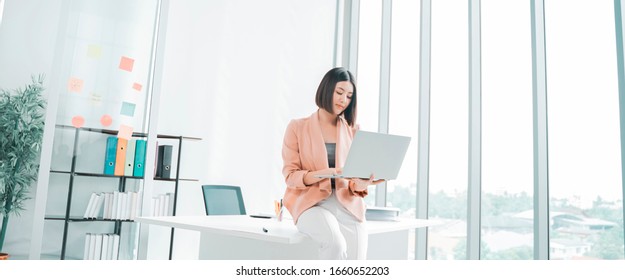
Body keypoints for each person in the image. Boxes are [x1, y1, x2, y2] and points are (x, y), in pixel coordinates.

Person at [281, 67, 384, 260]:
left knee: (357, 261)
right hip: (312, 203)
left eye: (349, 96)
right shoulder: (297, 127)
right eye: (339, 93)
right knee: (335, 243)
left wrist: (362, 184)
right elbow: (290, 175)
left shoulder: (353, 130)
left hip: (347, 203)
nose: (343, 100)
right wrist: (324, 173)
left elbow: (353, 181)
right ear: (326, 89)